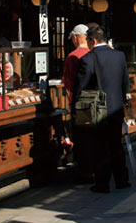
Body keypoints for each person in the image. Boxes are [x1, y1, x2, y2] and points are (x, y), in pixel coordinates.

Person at [73, 25, 130, 193]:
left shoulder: (88, 59)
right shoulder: (119, 56)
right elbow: (125, 81)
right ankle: (121, 180)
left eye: (88, 41)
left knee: (99, 146)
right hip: (117, 106)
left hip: (98, 109)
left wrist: (75, 105)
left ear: (93, 40)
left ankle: (102, 183)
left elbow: (80, 87)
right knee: (116, 144)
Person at [62, 24, 92, 183]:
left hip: (79, 103)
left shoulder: (72, 56)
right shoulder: (94, 54)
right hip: (98, 101)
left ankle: (85, 172)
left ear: (75, 37)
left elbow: (68, 83)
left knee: (82, 137)